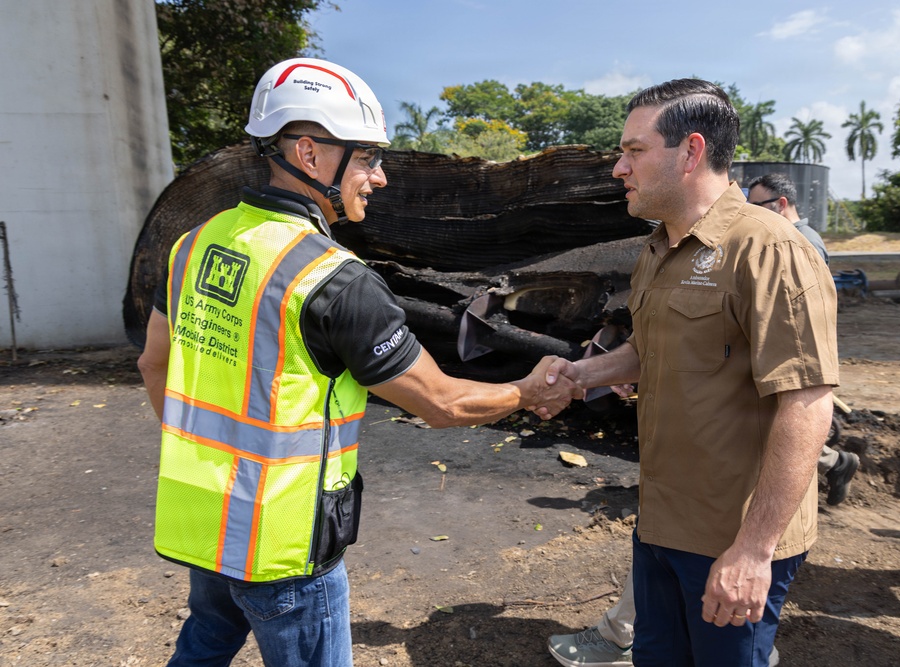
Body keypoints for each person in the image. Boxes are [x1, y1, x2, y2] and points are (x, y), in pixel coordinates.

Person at [137, 57, 581, 667]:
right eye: (368, 157)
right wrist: (529, 392)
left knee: (206, 644)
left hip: (203, 516)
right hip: (283, 544)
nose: (380, 177)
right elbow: (443, 404)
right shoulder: (334, 280)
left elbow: (152, 365)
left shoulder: (193, 244)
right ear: (310, 152)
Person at [542, 79, 839, 666]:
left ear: (691, 152)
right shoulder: (657, 249)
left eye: (634, 151)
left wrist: (753, 551)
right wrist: (580, 374)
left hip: (731, 536)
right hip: (660, 520)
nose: (618, 169)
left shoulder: (768, 249)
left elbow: (806, 404)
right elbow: (652, 353)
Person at [747, 172, 860, 507]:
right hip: (784, 348)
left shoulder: (801, 242)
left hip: (793, 352)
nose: (751, 213)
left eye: (757, 206)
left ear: (781, 204)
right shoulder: (786, 236)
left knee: (788, 426)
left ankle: (834, 464)